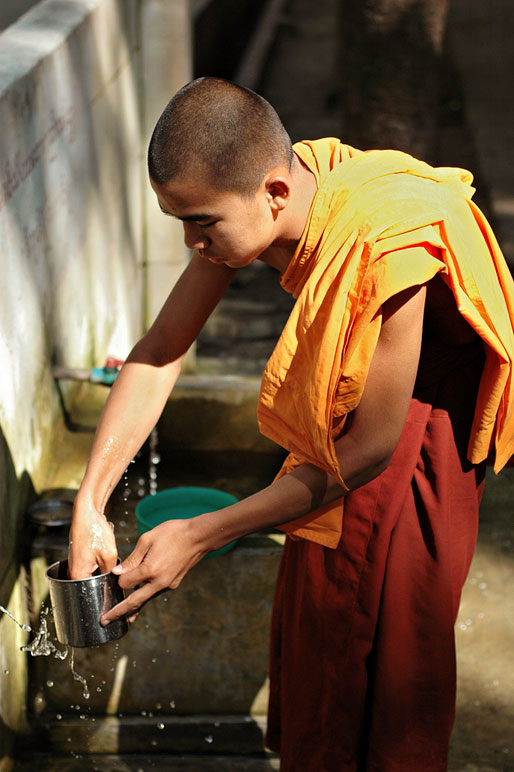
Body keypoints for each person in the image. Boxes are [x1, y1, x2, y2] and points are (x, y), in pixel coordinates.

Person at [69, 77, 514, 771]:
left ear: (275, 191)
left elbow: (369, 450)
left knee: (399, 671)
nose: (192, 241)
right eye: (178, 221)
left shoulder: (391, 240)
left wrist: (201, 533)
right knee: (321, 651)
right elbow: (159, 351)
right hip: (338, 445)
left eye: (202, 223)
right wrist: (89, 501)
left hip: (419, 441)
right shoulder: (258, 208)